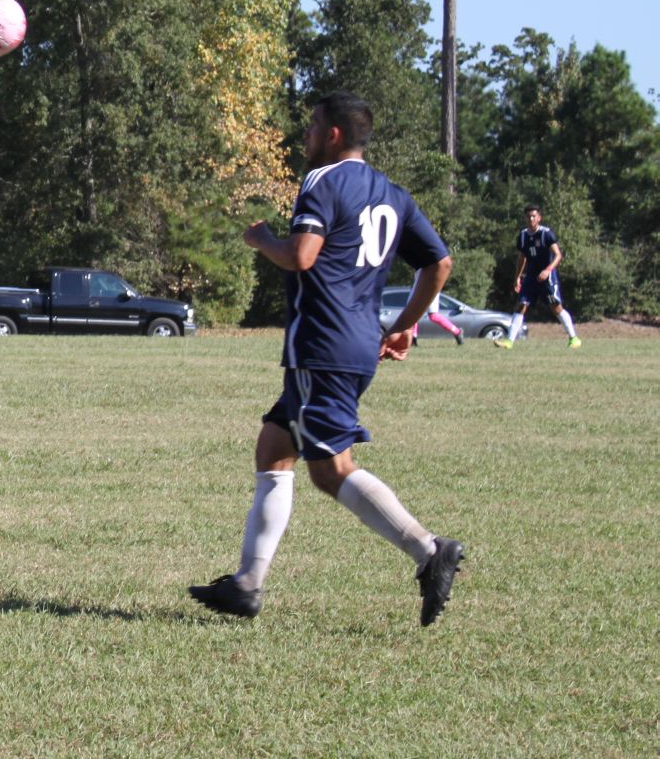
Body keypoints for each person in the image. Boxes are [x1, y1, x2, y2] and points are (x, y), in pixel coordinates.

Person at [189, 92, 465, 627]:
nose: (306, 135)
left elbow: (301, 255)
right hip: (352, 344)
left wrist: (263, 239)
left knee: (331, 470)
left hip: (323, 346)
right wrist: (404, 325)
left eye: (313, 126)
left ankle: (429, 550)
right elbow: (440, 263)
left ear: (334, 134)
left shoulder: (323, 182)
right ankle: (246, 584)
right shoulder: (392, 194)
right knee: (274, 446)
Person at [497, 205, 580, 349]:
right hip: (530, 278)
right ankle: (509, 341)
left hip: (547, 278)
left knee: (556, 308)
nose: (531, 219)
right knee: (521, 305)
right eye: (528, 216)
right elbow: (522, 257)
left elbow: (558, 255)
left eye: (533, 216)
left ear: (539, 218)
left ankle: (574, 338)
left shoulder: (546, 234)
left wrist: (548, 270)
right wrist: (517, 277)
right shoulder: (523, 236)